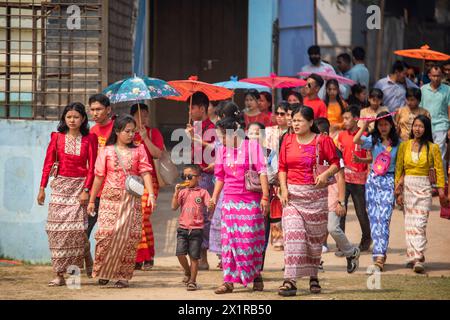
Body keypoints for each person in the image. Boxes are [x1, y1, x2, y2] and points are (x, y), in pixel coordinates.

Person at [87, 115, 156, 288]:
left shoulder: (139, 150)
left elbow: (146, 172)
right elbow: (98, 177)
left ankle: (122, 276)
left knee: (128, 238)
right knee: (106, 234)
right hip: (109, 199)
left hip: (132, 199)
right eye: (127, 131)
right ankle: (104, 271)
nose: (131, 134)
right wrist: (90, 200)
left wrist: (151, 194)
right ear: (117, 131)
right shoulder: (107, 151)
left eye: (133, 131)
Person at [278, 106, 339, 297]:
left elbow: (336, 163)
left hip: (316, 197)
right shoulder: (287, 140)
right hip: (293, 197)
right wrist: (284, 188)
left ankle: (313, 277)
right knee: (293, 237)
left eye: (299, 120)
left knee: (314, 242)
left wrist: (326, 174)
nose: (295, 123)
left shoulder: (323, 140)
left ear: (311, 122)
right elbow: (282, 167)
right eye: (293, 120)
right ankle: (290, 281)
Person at [37, 102, 98, 286]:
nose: (72, 120)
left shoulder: (89, 139)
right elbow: (48, 164)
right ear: (64, 118)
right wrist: (42, 188)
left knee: (78, 231)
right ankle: (59, 274)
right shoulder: (56, 138)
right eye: (69, 116)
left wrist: (87, 190)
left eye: (76, 117)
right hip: (59, 187)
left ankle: (86, 252)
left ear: (83, 119)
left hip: (79, 189)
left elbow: (93, 167)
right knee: (55, 231)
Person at [211, 117, 270, 294]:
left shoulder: (252, 146)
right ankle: (228, 281)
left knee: (250, 241)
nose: (220, 140)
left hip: (251, 201)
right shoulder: (222, 151)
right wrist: (214, 198)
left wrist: (265, 197)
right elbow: (220, 177)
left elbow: (262, 171)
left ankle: (256, 275)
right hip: (229, 201)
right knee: (229, 242)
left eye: (222, 136)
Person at [395, 115, 447, 273]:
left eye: (421, 126)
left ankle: (417, 257)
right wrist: (397, 190)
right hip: (408, 187)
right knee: (409, 224)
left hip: (424, 187)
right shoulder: (404, 146)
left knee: (420, 223)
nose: (417, 129)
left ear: (426, 129)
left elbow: (439, 170)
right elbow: (399, 169)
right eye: (415, 126)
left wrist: (442, 191)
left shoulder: (433, 147)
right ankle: (414, 256)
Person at [354, 112, 399, 272]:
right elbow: (356, 140)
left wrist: (399, 186)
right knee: (374, 218)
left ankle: (380, 253)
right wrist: (365, 125)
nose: (383, 127)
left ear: (391, 125)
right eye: (380, 124)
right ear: (377, 126)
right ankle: (378, 255)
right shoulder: (372, 140)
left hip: (389, 180)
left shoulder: (398, 143)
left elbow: (400, 166)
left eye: (386, 124)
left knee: (384, 218)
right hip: (373, 181)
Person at [315, 118, 361, 273]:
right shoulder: (312, 150)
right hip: (317, 197)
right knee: (317, 232)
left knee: (333, 228)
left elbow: (341, 177)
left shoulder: (335, 152)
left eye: (316, 134)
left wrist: (341, 201)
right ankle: (317, 262)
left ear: (325, 134)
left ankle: (351, 252)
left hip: (334, 197)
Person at [130, 103, 164, 271]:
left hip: (150, 181)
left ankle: (139, 257)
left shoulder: (152, 132)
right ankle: (148, 255)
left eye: (146, 115)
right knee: (139, 219)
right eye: (139, 115)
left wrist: (145, 138)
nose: (143, 118)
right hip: (131, 182)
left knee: (141, 216)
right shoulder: (126, 134)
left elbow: (158, 154)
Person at [185, 91, 216, 270]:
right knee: (194, 216)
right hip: (195, 175)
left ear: (202, 108)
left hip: (207, 176)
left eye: (192, 108)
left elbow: (215, 151)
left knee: (203, 216)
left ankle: (203, 256)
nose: (189, 111)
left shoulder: (211, 128)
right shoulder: (195, 128)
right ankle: (198, 255)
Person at [172, 164, 212, 291]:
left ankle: (193, 281)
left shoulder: (203, 192)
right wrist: (176, 193)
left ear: (199, 178)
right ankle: (188, 272)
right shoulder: (182, 192)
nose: (186, 179)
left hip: (197, 229)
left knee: (194, 257)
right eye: (184, 176)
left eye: (189, 176)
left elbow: (209, 205)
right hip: (183, 228)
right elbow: (174, 207)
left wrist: (211, 205)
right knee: (180, 254)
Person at [337, 106, 372, 254]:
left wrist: (360, 159)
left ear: (356, 119)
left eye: (347, 118)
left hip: (359, 181)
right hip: (344, 179)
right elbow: (338, 156)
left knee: (360, 212)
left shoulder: (364, 135)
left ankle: (366, 239)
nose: (344, 121)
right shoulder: (341, 136)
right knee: (341, 212)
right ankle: (342, 245)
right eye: (343, 118)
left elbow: (370, 158)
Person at [86, 93, 114, 274]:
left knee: (109, 233)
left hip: (113, 190)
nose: (95, 113)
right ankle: (89, 263)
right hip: (95, 190)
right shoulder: (91, 132)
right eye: (92, 109)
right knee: (84, 230)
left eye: (99, 109)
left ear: (108, 110)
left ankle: (106, 267)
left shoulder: (117, 129)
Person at [420, 66, 450, 171]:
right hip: (426, 125)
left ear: (441, 76)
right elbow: (420, 108)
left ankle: (439, 178)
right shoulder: (423, 89)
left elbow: (449, 108)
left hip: (442, 124)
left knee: (439, 151)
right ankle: (428, 177)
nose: (436, 78)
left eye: (438, 76)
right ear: (429, 76)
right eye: (434, 76)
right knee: (426, 151)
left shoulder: (447, 89)